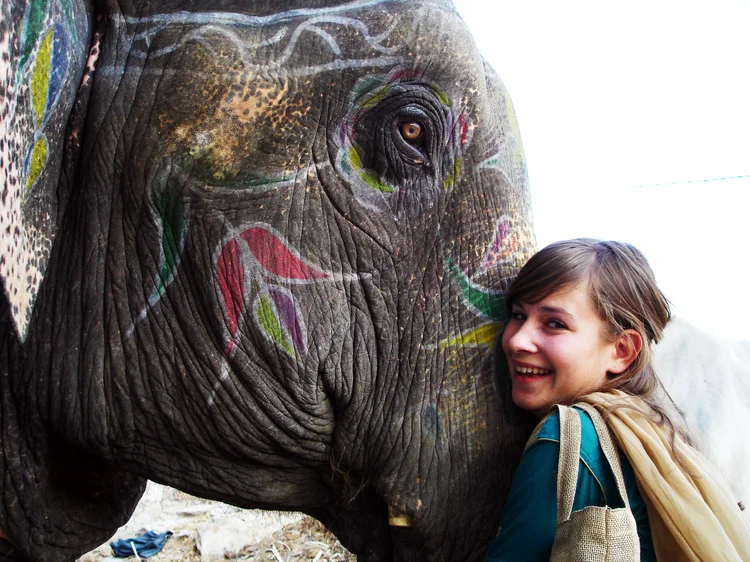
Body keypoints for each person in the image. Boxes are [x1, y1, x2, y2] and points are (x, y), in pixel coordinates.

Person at [484, 239, 750, 562]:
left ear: (622, 350)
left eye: (555, 323)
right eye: (517, 315)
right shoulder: (658, 429)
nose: (516, 340)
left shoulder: (565, 438)